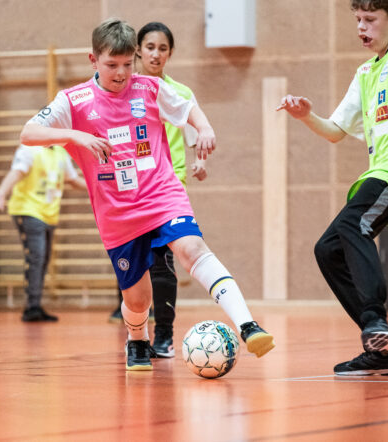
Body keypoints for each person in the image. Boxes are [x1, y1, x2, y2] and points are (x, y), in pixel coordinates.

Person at [21, 18, 274, 371]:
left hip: (161, 192)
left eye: (127, 64)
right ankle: (137, 339)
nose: (121, 73)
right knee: (138, 299)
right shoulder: (73, 101)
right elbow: (28, 133)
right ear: (93, 60)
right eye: (111, 65)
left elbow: (186, 107)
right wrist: (76, 136)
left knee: (192, 249)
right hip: (117, 212)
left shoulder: (149, 88)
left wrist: (204, 127)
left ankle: (248, 325)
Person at [277, 0, 388, 376]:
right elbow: (336, 131)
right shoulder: (364, 74)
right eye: (358, 19)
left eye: (370, 19)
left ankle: (375, 320)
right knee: (327, 250)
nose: (361, 27)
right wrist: (307, 116)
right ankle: (383, 353)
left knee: (355, 224)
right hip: (386, 171)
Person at [112, 21, 209, 358]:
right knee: (132, 259)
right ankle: (135, 328)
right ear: (138, 50)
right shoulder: (124, 90)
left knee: (162, 262)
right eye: (150, 47)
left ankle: (163, 336)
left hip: (166, 186)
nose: (156, 53)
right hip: (129, 189)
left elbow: (195, 134)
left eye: (163, 48)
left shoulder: (179, 93)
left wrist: (200, 161)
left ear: (170, 53)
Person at [0, 144, 87, 322]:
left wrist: (97, 188)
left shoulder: (60, 152)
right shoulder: (29, 149)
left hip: (49, 214)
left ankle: (35, 305)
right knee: (36, 257)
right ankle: (32, 307)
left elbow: (72, 179)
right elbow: (17, 172)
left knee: (43, 259)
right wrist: (1, 193)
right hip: (28, 211)